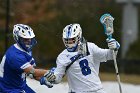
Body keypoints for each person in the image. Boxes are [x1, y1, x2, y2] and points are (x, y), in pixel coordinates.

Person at [40, 23, 120, 93]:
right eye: (67, 40)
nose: (69, 43)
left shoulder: (90, 47)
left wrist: (115, 48)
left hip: (97, 89)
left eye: (72, 40)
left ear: (79, 37)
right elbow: (58, 78)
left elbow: (109, 55)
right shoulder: (62, 56)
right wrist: (51, 78)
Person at [0, 24, 53, 93]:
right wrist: (50, 72)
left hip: (20, 85)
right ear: (17, 38)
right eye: (25, 39)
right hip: (8, 89)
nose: (29, 42)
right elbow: (32, 71)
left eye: (30, 39)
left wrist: (41, 79)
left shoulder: (25, 50)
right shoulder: (14, 55)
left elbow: (31, 74)